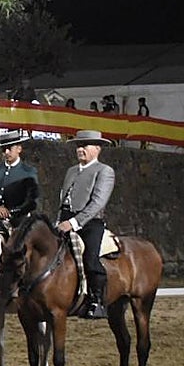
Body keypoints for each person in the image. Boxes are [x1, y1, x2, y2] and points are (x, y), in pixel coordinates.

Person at [56, 130, 116, 319]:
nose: (80, 149)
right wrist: (60, 220)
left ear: (97, 149)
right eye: (78, 146)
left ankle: (96, 301)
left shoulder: (104, 171)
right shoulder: (71, 171)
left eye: (84, 146)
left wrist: (74, 222)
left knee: (90, 258)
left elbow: (98, 202)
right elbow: (63, 200)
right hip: (64, 220)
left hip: (90, 222)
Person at [0, 131, 39, 234]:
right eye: (4, 149)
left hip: (20, 224)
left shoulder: (28, 172)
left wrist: (8, 213)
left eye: (9, 148)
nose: (7, 152)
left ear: (19, 149)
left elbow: (32, 203)